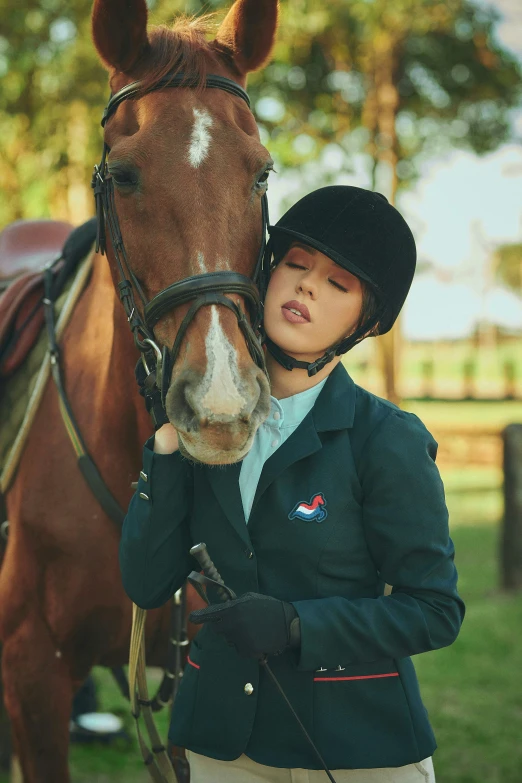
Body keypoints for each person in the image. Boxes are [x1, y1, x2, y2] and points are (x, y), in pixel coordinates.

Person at [120, 186, 465, 783]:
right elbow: (147, 584)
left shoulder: (387, 439)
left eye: (338, 283)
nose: (307, 286)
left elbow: (434, 610)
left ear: (367, 319)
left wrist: (297, 625)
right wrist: (169, 443)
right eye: (297, 265)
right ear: (267, 273)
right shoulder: (206, 428)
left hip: (359, 748)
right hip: (220, 748)